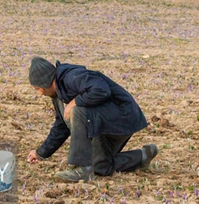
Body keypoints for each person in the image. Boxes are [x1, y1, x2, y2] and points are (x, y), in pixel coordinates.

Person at [26, 57, 158, 182]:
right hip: (104, 123)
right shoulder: (58, 93)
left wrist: (74, 102)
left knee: (77, 110)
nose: (40, 93)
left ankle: (82, 167)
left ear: (46, 81)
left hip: (122, 117)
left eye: (38, 88)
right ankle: (142, 156)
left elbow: (101, 90)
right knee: (100, 167)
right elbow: (61, 127)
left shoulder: (71, 77)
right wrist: (40, 153)